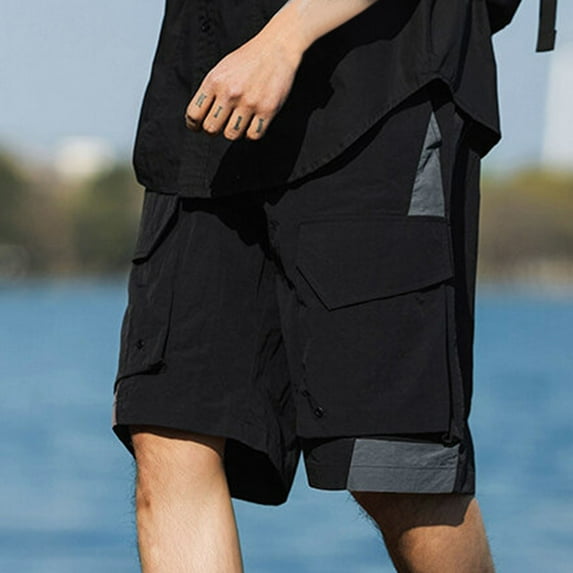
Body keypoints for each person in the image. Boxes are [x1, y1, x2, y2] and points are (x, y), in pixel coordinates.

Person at [111, 0, 504, 570]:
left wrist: (285, 37)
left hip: (379, 85)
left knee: (396, 468)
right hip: (209, 96)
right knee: (171, 438)